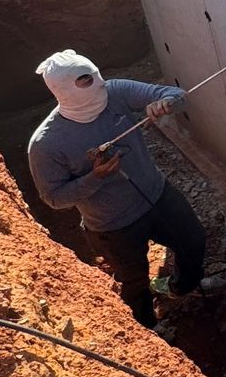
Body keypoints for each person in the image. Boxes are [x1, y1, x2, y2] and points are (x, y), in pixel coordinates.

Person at [27, 50, 216, 327]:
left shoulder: (114, 91)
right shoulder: (46, 144)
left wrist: (165, 103)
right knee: (135, 282)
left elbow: (175, 94)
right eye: (84, 80)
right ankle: (149, 330)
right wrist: (96, 177)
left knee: (193, 241)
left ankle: (179, 287)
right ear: (63, 90)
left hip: (157, 195)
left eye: (93, 74)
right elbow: (54, 198)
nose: (96, 83)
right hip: (112, 226)